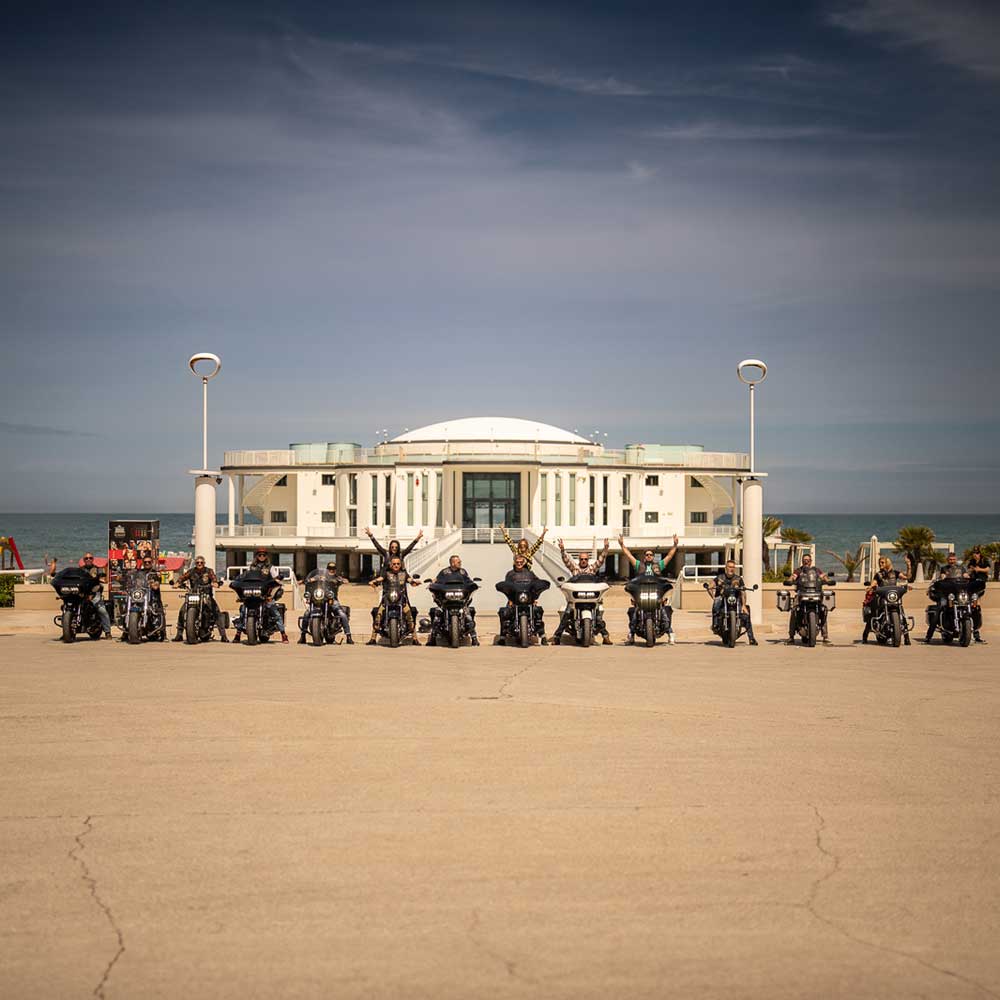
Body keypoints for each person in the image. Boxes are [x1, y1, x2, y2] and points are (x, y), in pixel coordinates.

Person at [618, 534, 679, 644]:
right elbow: (629, 556)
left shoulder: (658, 566)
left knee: (663, 610)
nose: (649, 556)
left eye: (651, 555)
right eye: (647, 555)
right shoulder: (639, 566)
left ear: (653, 556)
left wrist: (675, 545)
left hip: (656, 595)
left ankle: (670, 633)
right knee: (636, 610)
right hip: (642, 595)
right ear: (644, 557)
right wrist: (622, 545)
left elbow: (669, 557)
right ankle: (631, 635)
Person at [553, 538, 612, 644]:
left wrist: (605, 549)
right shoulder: (575, 569)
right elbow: (567, 561)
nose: (583, 561)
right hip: (576, 599)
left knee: (598, 617)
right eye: (581, 559)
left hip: (591, 599)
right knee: (566, 614)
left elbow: (601, 560)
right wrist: (562, 550)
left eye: (585, 559)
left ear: (588, 560)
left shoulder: (592, 569)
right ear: (579, 560)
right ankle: (557, 637)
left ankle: (605, 636)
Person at [233, 548, 288, 643]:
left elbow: (275, 577)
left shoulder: (270, 567)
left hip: (265, 593)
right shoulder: (252, 567)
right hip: (253, 592)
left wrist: (278, 579)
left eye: (263, 555)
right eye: (259, 555)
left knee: (274, 611)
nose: (261, 557)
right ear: (256, 556)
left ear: (266, 556)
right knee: (243, 610)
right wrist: (237, 579)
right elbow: (245, 576)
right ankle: (238, 634)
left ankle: (283, 634)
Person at [427, 555, 480, 646]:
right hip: (447, 600)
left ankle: (474, 638)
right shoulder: (444, 572)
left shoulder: (463, 572)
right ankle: (433, 638)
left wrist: (474, 585)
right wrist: (431, 584)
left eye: (460, 561)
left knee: (468, 615)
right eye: (458, 562)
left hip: (460, 600)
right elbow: (437, 580)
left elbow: (468, 581)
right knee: (437, 616)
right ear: (452, 563)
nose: (460, 563)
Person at [495, 554, 548, 645]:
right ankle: (502, 637)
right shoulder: (510, 574)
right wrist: (510, 599)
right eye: (517, 562)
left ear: (524, 563)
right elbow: (507, 586)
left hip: (528, 600)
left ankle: (543, 636)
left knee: (538, 611)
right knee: (504, 613)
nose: (519, 563)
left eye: (521, 562)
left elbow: (535, 584)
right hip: (514, 600)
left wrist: (535, 597)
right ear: (514, 562)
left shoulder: (530, 573)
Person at [173, 555, 228, 642]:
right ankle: (179, 634)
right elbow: (183, 577)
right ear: (195, 563)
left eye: (201, 562)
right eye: (197, 562)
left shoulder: (208, 571)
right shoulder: (191, 571)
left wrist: (215, 583)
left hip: (206, 595)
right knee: (182, 610)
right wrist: (178, 583)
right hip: (193, 595)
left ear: (204, 563)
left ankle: (223, 635)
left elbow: (213, 578)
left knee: (216, 611)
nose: (199, 564)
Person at [368, 556, 421, 644]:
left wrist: (414, 582)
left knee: (409, 615)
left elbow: (409, 579)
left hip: (401, 599)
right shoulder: (386, 573)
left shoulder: (404, 573)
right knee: (378, 614)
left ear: (400, 565)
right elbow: (380, 578)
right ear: (390, 565)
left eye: (398, 564)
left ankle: (415, 639)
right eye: (394, 564)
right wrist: (374, 581)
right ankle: (373, 638)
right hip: (387, 598)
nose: (396, 565)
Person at [299, 561, 353, 644]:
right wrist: (306, 580)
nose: (331, 570)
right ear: (327, 569)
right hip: (319, 598)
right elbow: (311, 579)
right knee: (307, 614)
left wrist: (342, 581)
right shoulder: (320, 576)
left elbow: (345, 580)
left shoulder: (336, 578)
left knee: (342, 614)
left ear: (335, 570)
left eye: (333, 569)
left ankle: (348, 636)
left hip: (332, 600)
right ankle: (303, 636)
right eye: (330, 569)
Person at [861, 556, 910, 644]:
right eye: (880, 563)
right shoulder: (878, 574)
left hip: (892, 597)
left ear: (887, 563)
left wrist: (909, 566)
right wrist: (870, 586)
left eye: (882, 562)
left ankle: (907, 638)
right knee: (873, 613)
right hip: (882, 597)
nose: (880, 564)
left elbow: (907, 577)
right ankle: (865, 636)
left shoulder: (895, 573)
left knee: (902, 612)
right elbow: (874, 582)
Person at [786, 553, 832, 644]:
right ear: (802, 561)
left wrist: (829, 581)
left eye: (808, 560)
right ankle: (791, 636)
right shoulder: (798, 571)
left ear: (811, 561)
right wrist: (789, 580)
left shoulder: (816, 570)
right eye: (804, 560)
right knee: (794, 610)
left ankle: (825, 636)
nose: (806, 561)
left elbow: (823, 576)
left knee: (823, 610)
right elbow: (793, 576)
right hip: (801, 594)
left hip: (816, 593)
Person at [925, 553, 970, 643]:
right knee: (940, 607)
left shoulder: (961, 568)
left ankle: (976, 635)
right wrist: (942, 577)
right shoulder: (944, 568)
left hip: (958, 593)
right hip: (947, 594)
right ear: (947, 560)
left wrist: (967, 576)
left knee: (972, 606)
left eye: (953, 559)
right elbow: (942, 576)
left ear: (956, 559)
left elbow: (965, 575)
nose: (952, 561)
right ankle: (928, 636)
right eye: (950, 559)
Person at [711, 559, 758, 645]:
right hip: (723, 599)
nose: (731, 569)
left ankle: (751, 638)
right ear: (726, 568)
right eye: (730, 567)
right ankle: (715, 624)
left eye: (733, 567)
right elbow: (711, 585)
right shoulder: (720, 577)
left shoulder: (738, 579)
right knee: (717, 602)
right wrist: (713, 596)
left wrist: (743, 605)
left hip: (735, 600)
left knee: (746, 615)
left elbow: (743, 592)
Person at [80, 552, 112, 639]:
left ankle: (107, 632)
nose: (88, 559)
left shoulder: (97, 569)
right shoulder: (80, 570)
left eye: (90, 558)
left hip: (94, 594)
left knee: (102, 611)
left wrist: (106, 569)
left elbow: (105, 580)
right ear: (84, 560)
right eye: (86, 558)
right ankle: (67, 631)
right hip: (82, 594)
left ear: (93, 559)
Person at [966, 546, 990, 643]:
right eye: (974, 553)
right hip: (971, 584)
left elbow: (987, 569)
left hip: (979, 584)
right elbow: (968, 570)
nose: (975, 555)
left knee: (975, 608)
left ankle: (976, 634)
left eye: (977, 553)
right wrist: (970, 571)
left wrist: (979, 569)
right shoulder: (971, 562)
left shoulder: (984, 561)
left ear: (979, 554)